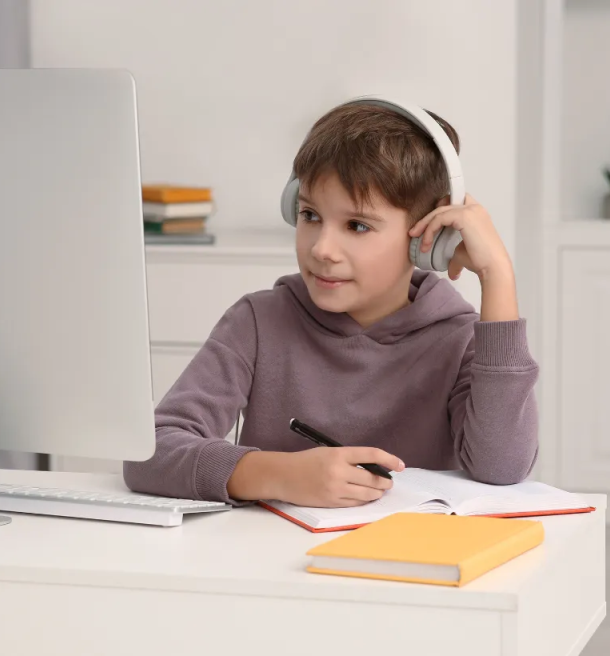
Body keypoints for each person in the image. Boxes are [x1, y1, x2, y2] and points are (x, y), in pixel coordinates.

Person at [124, 100, 539, 508]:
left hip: (411, 571)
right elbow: (151, 453)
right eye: (309, 215)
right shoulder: (258, 322)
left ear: (426, 238)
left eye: (357, 225)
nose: (322, 248)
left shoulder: (459, 339)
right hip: (266, 561)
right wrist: (279, 474)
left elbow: (501, 467)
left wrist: (496, 276)